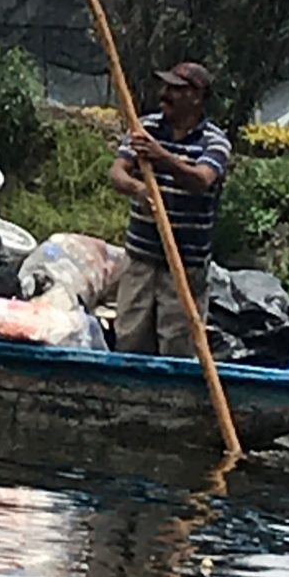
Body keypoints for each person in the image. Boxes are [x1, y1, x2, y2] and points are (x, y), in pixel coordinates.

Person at [107, 61, 231, 357]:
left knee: (178, 345)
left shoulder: (214, 142)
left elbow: (200, 180)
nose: (166, 95)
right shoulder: (145, 129)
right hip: (141, 257)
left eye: (177, 90)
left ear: (197, 98)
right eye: (166, 87)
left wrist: (162, 157)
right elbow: (117, 172)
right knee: (130, 336)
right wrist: (138, 189)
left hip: (185, 265)